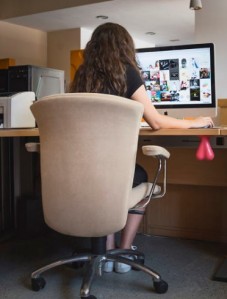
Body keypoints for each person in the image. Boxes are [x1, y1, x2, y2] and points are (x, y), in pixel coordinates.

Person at [69, 22, 214, 273]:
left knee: (112, 181)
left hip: (80, 171)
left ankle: (107, 249)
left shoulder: (81, 75)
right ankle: (121, 253)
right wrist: (194, 122)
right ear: (124, 47)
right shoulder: (126, 72)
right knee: (139, 177)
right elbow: (156, 121)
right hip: (112, 172)